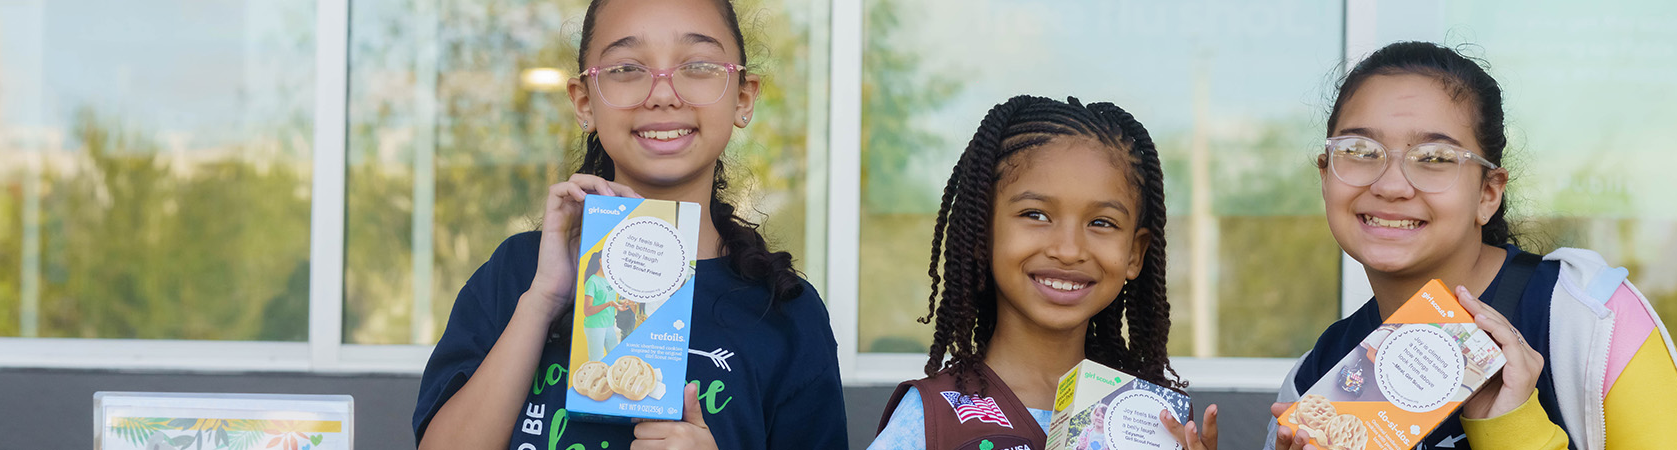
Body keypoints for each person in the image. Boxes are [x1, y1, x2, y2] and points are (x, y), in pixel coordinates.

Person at [412, 1, 847, 449]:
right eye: (625, 69)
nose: (662, 94)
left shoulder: (786, 313)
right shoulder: (518, 273)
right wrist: (542, 301)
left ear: (743, 96)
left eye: (697, 65)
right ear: (584, 102)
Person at [1265, 41, 1677, 450]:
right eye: (1361, 151)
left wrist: (1513, 431)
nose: (1392, 185)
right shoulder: (1317, 380)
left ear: (1488, 193)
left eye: (1435, 159)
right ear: (1325, 176)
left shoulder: (1588, 320)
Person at [867, 95, 1218, 450]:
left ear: (1134, 254)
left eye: (1101, 222)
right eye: (1035, 215)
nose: (1068, 250)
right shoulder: (932, 419)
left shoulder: (1152, 421)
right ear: (981, 235)